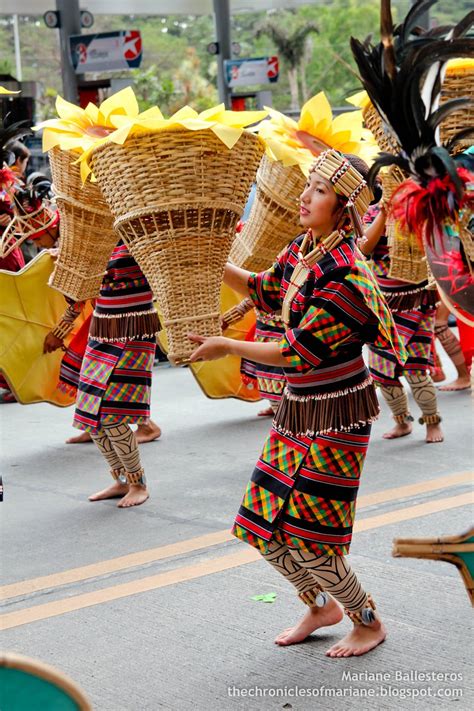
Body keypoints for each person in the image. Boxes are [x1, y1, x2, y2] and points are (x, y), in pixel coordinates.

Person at [189, 149, 406, 657]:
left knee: (313, 536)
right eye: (308, 185)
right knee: (259, 523)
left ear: (345, 208)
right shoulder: (304, 249)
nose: (305, 196)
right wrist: (211, 260)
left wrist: (227, 345)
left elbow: (295, 351)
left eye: (320, 191)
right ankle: (318, 605)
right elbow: (266, 290)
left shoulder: (349, 276)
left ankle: (367, 620)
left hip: (338, 413)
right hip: (298, 409)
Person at [44, 240, 161, 508]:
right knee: (90, 417)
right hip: (101, 331)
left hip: (134, 330)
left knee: (112, 416)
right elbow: (79, 293)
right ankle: (121, 480)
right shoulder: (93, 236)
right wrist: (68, 261)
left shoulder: (141, 233)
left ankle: (138, 484)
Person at [359, 205, 444, 443]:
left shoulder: (423, 207)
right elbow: (364, 247)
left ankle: (432, 421)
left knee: (416, 370)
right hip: (383, 306)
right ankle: (402, 421)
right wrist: (384, 214)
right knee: (381, 371)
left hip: (418, 302)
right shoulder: (374, 211)